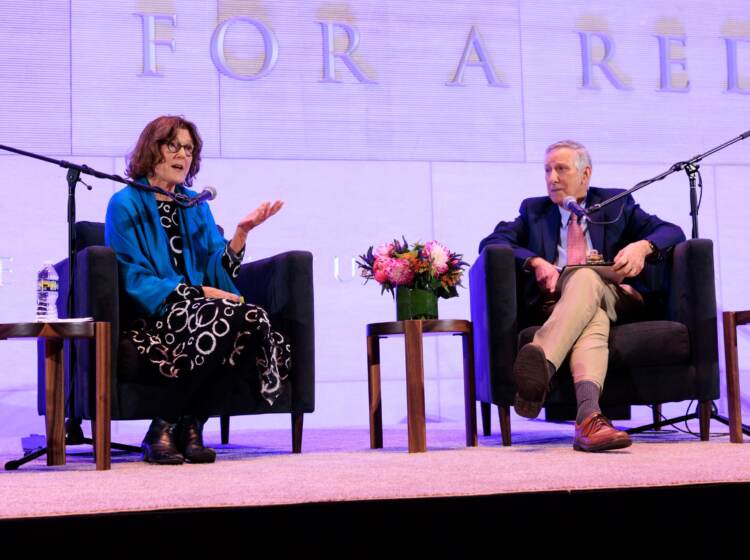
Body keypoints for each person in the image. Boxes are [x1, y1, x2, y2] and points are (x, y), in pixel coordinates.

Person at [105, 115, 290, 465]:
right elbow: (133, 277)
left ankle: (191, 425)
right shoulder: (125, 204)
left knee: (251, 319)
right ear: (151, 148)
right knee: (224, 316)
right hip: (156, 313)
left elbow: (215, 266)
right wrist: (200, 294)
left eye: (189, 148)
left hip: (202, 311)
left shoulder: (195, 204)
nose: (182, 155)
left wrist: (240, 234)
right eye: (173, 145)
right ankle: (161, 427)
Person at [479, 140, 685, 452]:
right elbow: (493, 242)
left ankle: (541, 367)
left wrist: (643, 247)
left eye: (560, 169)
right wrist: (536, 262)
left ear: (585, 174)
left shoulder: (616, 205)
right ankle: (590, 419)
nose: (552, 178)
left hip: (620, 297)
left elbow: (672, 231)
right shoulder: (533, 211)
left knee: (587, 276)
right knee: (593, 318)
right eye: (547, 170)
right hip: (562, 303)